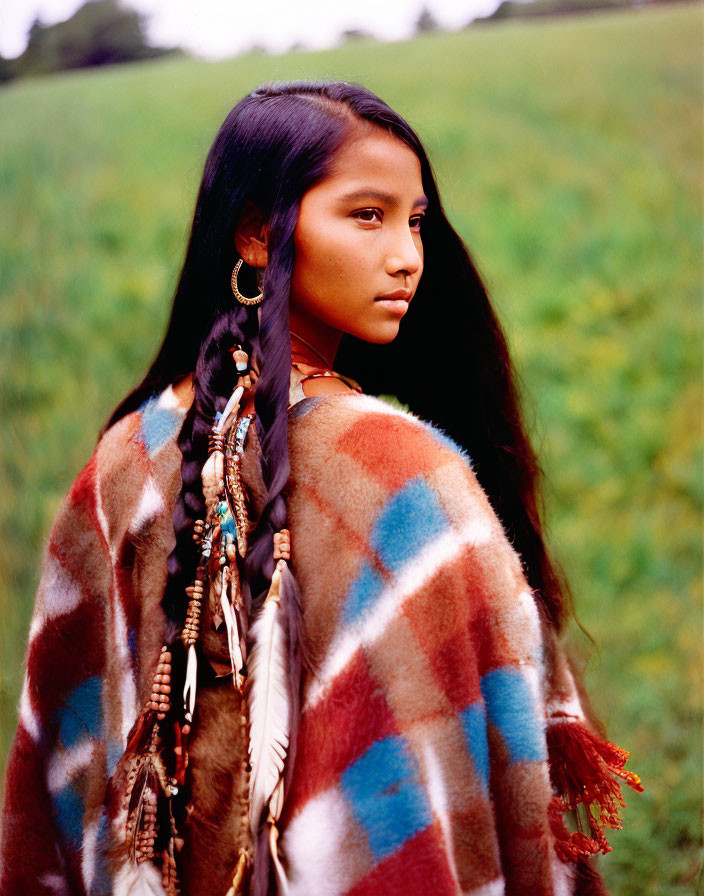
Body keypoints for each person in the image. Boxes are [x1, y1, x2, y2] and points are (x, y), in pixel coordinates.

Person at [0, 80, 641, 896]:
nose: (408, 254)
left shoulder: (123, 455)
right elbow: (462, 779)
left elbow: (62, 760)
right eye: (367, 216)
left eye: (415, 220)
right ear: (259, 234)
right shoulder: (405, 474)